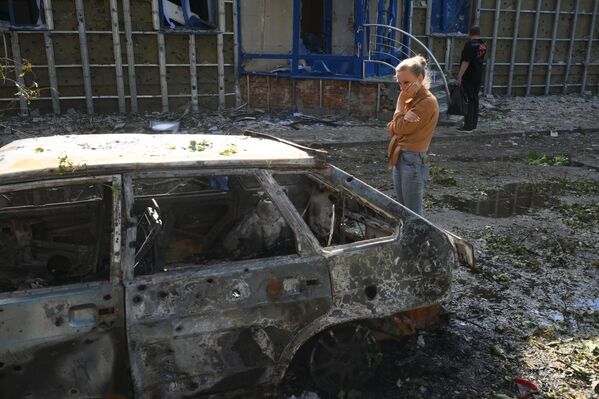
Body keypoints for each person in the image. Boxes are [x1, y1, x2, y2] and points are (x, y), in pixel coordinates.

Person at [387, 55, 439, 216]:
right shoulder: (413, 99)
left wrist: (400, 105)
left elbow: (400, 129)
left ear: (420, 78)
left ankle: (421, 241)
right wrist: (400, 119)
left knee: (414, 213)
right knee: (403, 211)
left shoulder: (426, 102)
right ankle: (408, 240)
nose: (402, 88)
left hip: (413, 161)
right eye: (399, 83)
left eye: (406, 82)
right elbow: (392, 128)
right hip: (401, 157)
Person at [456, 25, 487, 132]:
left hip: (469, 76)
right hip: (478, 75)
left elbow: (466, 62)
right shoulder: (483, 44)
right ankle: (474, 123)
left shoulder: (469, 44)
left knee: (468, 99)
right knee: (475, 99)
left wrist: (459, 76)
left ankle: (468, 125)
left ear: (470, 33)